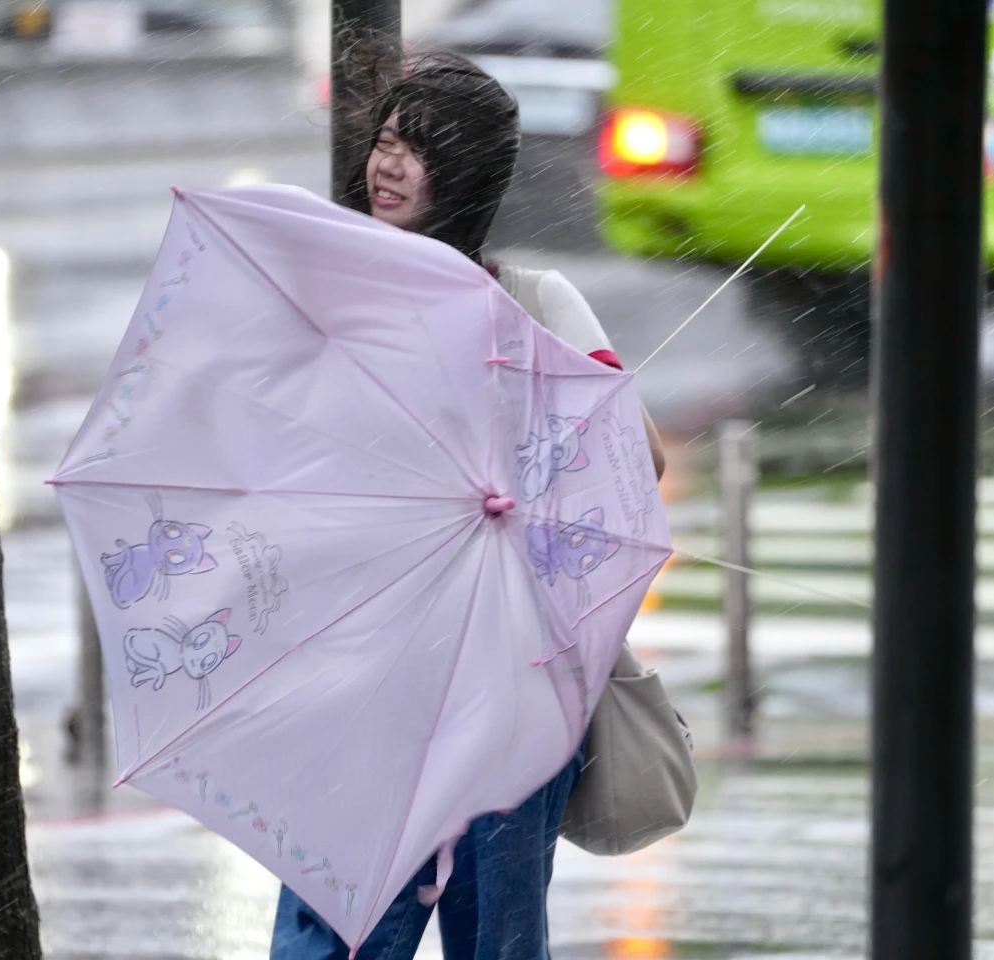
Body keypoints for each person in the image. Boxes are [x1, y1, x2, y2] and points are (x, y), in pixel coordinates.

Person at [269, 50, 665, 960]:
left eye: (419, 146)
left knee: (497, 937)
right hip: (368, 676)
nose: (388, 163)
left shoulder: (534, 302)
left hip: (513, 679)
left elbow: (630, 457)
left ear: (469, 173)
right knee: (334, 933)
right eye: (387, 140)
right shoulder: (342, 306)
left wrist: (519, 445)